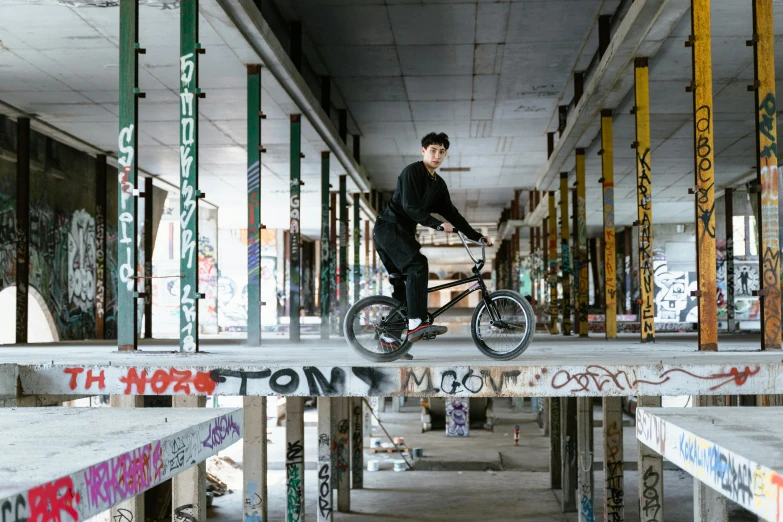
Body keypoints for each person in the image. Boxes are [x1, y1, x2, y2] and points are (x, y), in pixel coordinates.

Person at [373, 132, 492, 352]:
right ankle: (416, 323)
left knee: (404, 287)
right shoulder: (412, 172)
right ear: (423, 151)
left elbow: (453, 214)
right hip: (389, 229)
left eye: (442, 152)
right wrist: (436, 224)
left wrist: (475, 235)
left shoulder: (438, 185)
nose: (437, 155)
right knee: (417, 265)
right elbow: (410, 206)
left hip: (403, 234)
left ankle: (388, 340)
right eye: (433, 150)